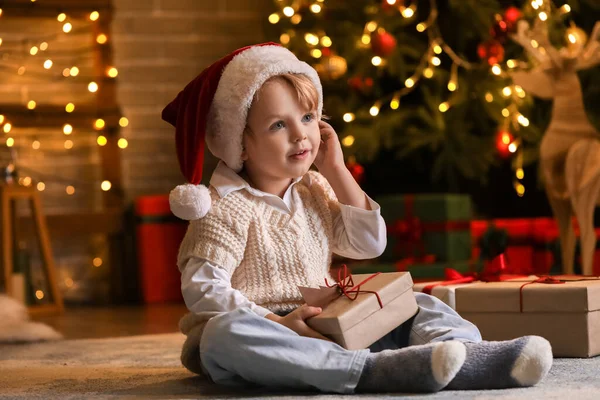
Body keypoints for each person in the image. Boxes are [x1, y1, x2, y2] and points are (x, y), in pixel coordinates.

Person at [161, 42, 552, 394]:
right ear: (240, 143)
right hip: (267, 328)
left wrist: (337, 172)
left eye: (309, 117)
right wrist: (276, 322)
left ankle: (471, 358)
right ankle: (369, 371)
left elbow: (368, 244)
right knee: (223, 336)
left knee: (416, 303)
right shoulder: (224, 206)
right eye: (279, 125)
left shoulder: (314, 188)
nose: (302, 136)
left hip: (325, 319)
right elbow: (203, 291)